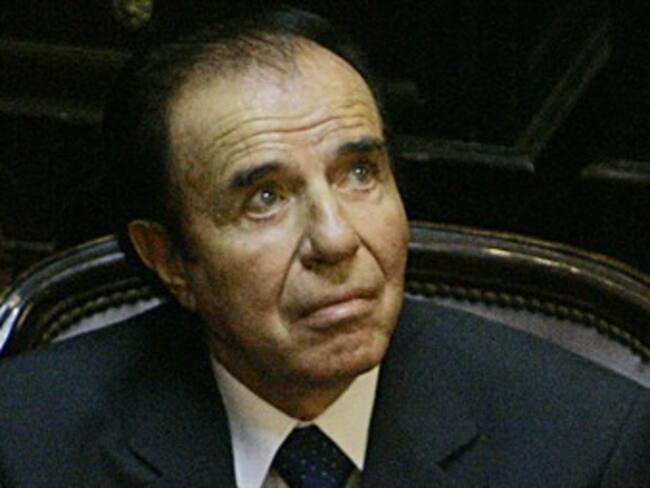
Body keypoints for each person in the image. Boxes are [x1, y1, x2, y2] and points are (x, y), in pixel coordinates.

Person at [1, 6, 649, 487]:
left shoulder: (587, 444)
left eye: (360, 173)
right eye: (265, 198)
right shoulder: (26, 443)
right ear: (169, 259)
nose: (336, 240)